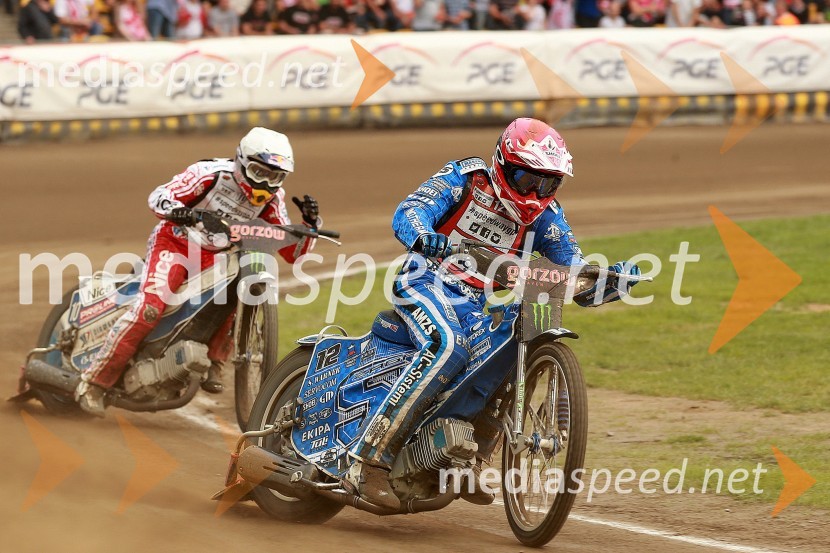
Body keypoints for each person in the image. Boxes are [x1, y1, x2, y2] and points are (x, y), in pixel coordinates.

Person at [345, 118, 641, 509]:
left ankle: (466, 458)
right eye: (526, 179)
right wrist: (423, 233)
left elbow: (571, 269)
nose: (536, 192)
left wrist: (606, 282)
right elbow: (411, 209)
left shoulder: (547, 217)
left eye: (548, 183)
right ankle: (369, 461)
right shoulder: (466, 178)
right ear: (502, 164)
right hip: (424, 281)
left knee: (514, 343)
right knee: (448, 346)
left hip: (474, 303)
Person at [75, 128, 322, 417]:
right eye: (258, 172)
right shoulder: (210, 173)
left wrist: (311, 224)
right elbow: (159, 196)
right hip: (176, 244)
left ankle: (215, 361)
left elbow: (293, 253)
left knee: (238, 286)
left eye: (275, 177)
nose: (265, 184)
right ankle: (93, 382)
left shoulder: (273, 198)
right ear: (241, 162)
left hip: (217, 257)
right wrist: (178, 210)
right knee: (150, 309)